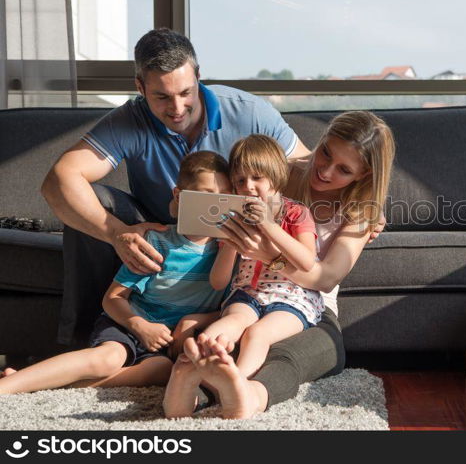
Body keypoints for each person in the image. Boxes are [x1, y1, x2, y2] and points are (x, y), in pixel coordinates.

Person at [41, 28, 311, 375]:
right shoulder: (130, 119)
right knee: (99, 200)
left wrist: (355, 210)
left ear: (198, 76)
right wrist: (117, 234)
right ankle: (92, 343)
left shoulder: (248, 112)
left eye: (186, 92)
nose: (178, 108)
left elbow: (305, 169)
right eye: (162, 98)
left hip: (232, 238)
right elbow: (59, 181)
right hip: (158, 230)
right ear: (140, 88)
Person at [165, 111, 395, 419]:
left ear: (363, 175)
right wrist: (156, 225)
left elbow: (324, 278)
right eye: (326, 153)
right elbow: (206, 202)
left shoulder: (361, 211)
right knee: (224, 342)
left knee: (287, 355)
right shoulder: (271, 174)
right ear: (322, 139)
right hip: (250, 293)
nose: (325, 171)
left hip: (310, 307)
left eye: (343, 169)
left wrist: (266, 255)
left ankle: (248, 395)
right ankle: (188, 394)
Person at [0, 151, 232, 393]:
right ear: (180, 195)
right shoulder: (158, 241)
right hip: (130, 325)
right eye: (206, 195)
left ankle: (41, 383)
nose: (214, 205)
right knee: (108, 359)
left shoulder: (231, 250)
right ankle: (8, 387)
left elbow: (234, 306)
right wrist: (141, 326)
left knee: (163, 370)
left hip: (169, 346)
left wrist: (194, 322)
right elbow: (112, 298)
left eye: (224, 197)